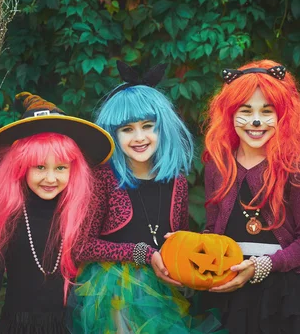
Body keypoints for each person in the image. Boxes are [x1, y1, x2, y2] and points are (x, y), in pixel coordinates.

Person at [67, 61, 217, 333]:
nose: (139, 137)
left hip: (163, 291)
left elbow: (177, 239)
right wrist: (142, 253)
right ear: (114, 134)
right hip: (114, 291)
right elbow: (81, 246)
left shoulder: (176, 183)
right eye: (127, 129)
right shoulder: (104, 178)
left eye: (148, 126)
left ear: (163, 128)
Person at [0, 92, 114, 333]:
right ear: (21, 166)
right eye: (39, 167)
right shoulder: (10, 216)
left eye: (60, 167)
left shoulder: (79, 215)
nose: (50, 178)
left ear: (73, 169)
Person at [200, 59, 300, 333]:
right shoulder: (217, 165)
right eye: (245, 111)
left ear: (283, 114)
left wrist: (263, 266)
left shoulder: (295, 166)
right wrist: (192, 247)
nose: (256, 121)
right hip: (228, 291)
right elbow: (213, 230)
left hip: (283, 295)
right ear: (229, 114)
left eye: (266, 111)